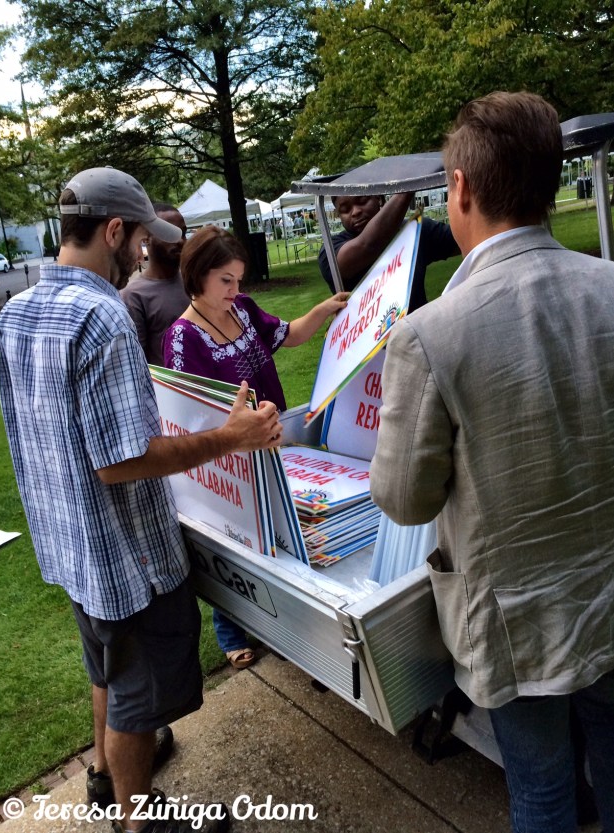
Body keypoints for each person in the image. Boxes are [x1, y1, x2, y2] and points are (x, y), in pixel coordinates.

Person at [0, 167, 283, 833]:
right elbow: (122, 459)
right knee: (134, 696)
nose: (147, 254)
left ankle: (102, 774)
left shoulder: (16, 311)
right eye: (141, 241)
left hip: (69, 544)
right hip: (126, 556)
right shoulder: (104, 316)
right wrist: (227, 436)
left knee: (106, 667)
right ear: (115, 231)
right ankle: (137, 819)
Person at [370, 91, 614, 833]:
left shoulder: (428, 335)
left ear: (461, 188)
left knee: (541, 795)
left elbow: (405, 499)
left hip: (516, 625)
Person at [163, 225, 348, 668]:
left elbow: (290, 335)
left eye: (238, 279)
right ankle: (231, 629)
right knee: (239, 546)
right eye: (225, 280)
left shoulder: (243, 309)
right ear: (197, 276)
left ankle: (286, 624)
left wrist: (324, 309)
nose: (235, 289)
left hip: (277, 443)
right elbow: (187, 423)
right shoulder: (181, 339)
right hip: (230, 464)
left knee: (282, 540)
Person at [318, 191, 459, 310]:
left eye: (362, 201)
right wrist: (406, 189)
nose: (355, 212)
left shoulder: (413, 229)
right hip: (368, 342)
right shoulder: (330, 251)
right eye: (345, 209)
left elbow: (465, 237)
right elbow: (367, 246)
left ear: (379, 199)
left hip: (417, 335)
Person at [120, 203, 189, 366]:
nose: (180, 241)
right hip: (171, 390)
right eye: (169, 233)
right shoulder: (133, 296)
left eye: (183, 233)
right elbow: (139, 364)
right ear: (146, 238)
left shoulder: (195, 282)